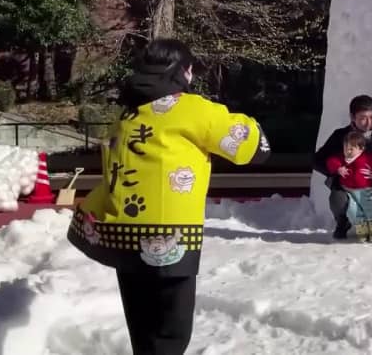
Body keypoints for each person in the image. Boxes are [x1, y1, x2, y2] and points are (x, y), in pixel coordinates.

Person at [67, 38, 270, 355]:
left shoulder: (125, 118)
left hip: (123, 236)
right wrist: (253, 128)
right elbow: (252, 149)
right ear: (184, 72)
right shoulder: (193, 109)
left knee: (144, 334)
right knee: (171, 336)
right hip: (171, 237)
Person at [313, 95, 372, 239]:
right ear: (352, 117)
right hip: (347, 187)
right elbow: (317, 160)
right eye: (362, 118)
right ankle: (343, 222)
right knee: (337, 199)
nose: (368, 122)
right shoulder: (340, 136)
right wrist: (336, 170)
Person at [326, 131, 372, 242]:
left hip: (365, 191)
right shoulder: (342, 159)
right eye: (345, 148)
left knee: (371, 210)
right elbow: (331, 161)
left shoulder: (368, 159)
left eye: (351, 149)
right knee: (354, 211)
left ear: (361, 149)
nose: (347, 151)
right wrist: (338, 168)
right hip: (349, 191)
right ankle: (362, 231)